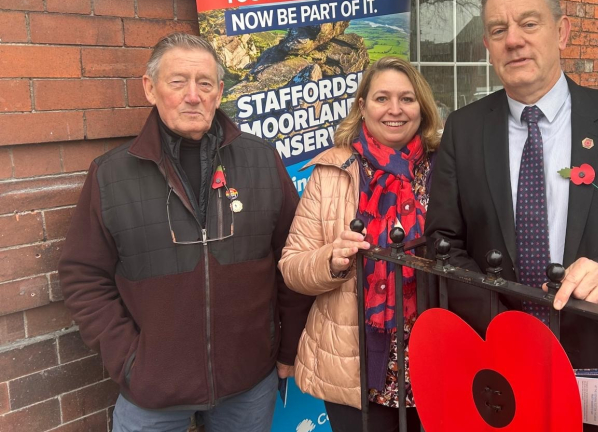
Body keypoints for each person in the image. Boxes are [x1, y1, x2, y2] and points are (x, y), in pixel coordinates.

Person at [425, 0, 598, 432]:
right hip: (497, 369)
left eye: (529, 23)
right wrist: (507, 329)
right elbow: (442, 244)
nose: (514, 41)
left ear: (562, 31)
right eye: (498, 30)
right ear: (486, 45)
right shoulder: (463, 131)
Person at [58, 33, 314, 432]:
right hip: (152, 393)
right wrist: (130, 362)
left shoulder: (262, 161)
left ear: (219, 92)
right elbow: (82, 277)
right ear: (150, 88)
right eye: (178, 82)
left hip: (248, 383)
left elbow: (293, 259)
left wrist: (287, 346)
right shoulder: (111, 175)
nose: (192, 96)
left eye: (205, 83)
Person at [278, 57, 442, 432]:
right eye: (382, 98)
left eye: (407, 98)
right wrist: (331, 260)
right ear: (362, 106)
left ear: (422, 107)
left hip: (436, 354)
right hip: (355, 364)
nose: (395, 109)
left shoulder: (444, 167)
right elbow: (292, 265)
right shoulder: (332, 171)